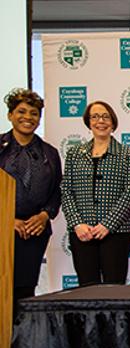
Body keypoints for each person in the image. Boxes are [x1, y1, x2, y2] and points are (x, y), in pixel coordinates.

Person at [61, 101, 130, 286]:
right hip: (82, 233)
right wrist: (77, 223)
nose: (100, 121)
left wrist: (107, 225)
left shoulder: (128, 154)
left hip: (116, 233)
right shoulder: (74, 154)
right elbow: (66, 191)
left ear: (113, 121)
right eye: (94, 117)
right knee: (86, 288)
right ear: (88, 122)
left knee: (114, 287)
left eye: (105, 116)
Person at [0, 88, 61, 312]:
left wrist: (45, 215)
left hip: (34, 231)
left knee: (25, 291)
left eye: (34, 113)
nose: (28, 117)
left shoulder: (50, 153)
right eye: (21, 111)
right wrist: (7, 220)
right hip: (3, 229)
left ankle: (21, 343)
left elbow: (56, 191)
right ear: (10, 115)